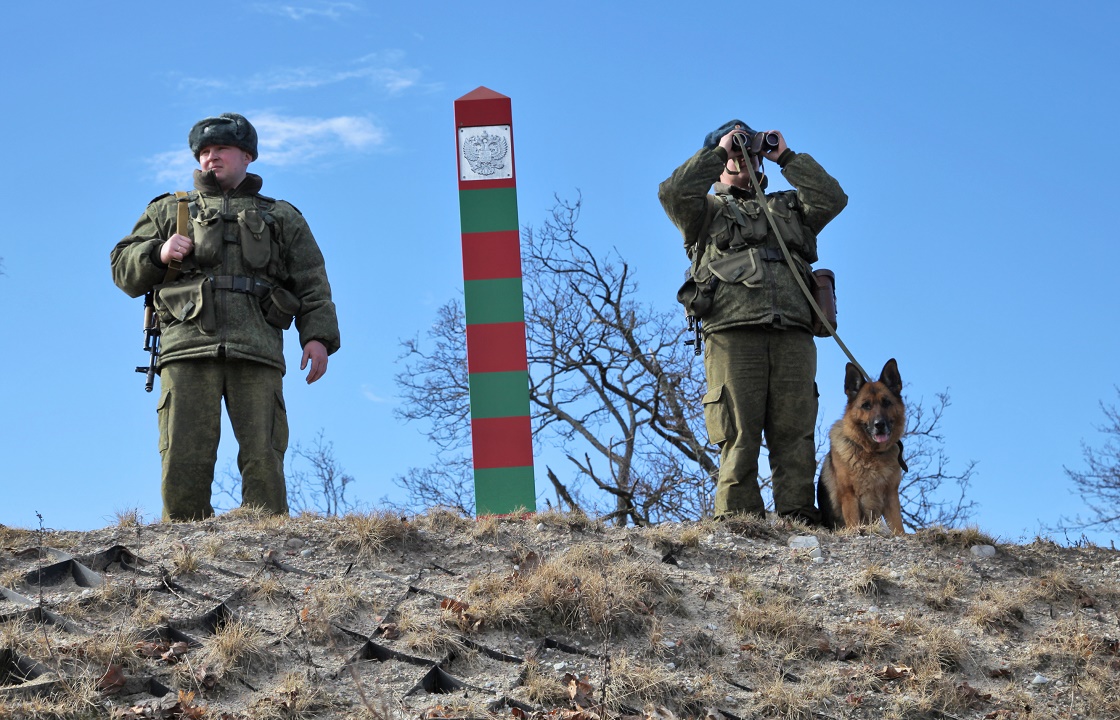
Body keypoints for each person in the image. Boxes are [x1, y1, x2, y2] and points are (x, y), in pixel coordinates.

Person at [111, 113, 341, 521]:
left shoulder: (281, 216)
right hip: (187, 347)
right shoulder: (169, 210)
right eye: (204, 152)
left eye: (222, 150)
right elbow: (122, 268)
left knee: (263, 454)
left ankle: (268, 540)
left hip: (257, 349)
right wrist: (159, 253)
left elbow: (311, 280)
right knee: (183, 453)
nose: (211, 157)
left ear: (247, 155)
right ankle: (184, 546)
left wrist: (318, 337)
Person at [659, 119, 847, 523]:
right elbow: (673, 192)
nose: (744, 157)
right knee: (738, 430)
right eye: (736, 150)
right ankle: (738, 518)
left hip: (794, 329)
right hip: (732, 330)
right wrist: (717, 152)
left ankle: (797, 512)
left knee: (795, 428)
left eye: (749, 150)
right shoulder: (704, 210)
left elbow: (832, 198)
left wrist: (786, 157)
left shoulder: (791, 207)